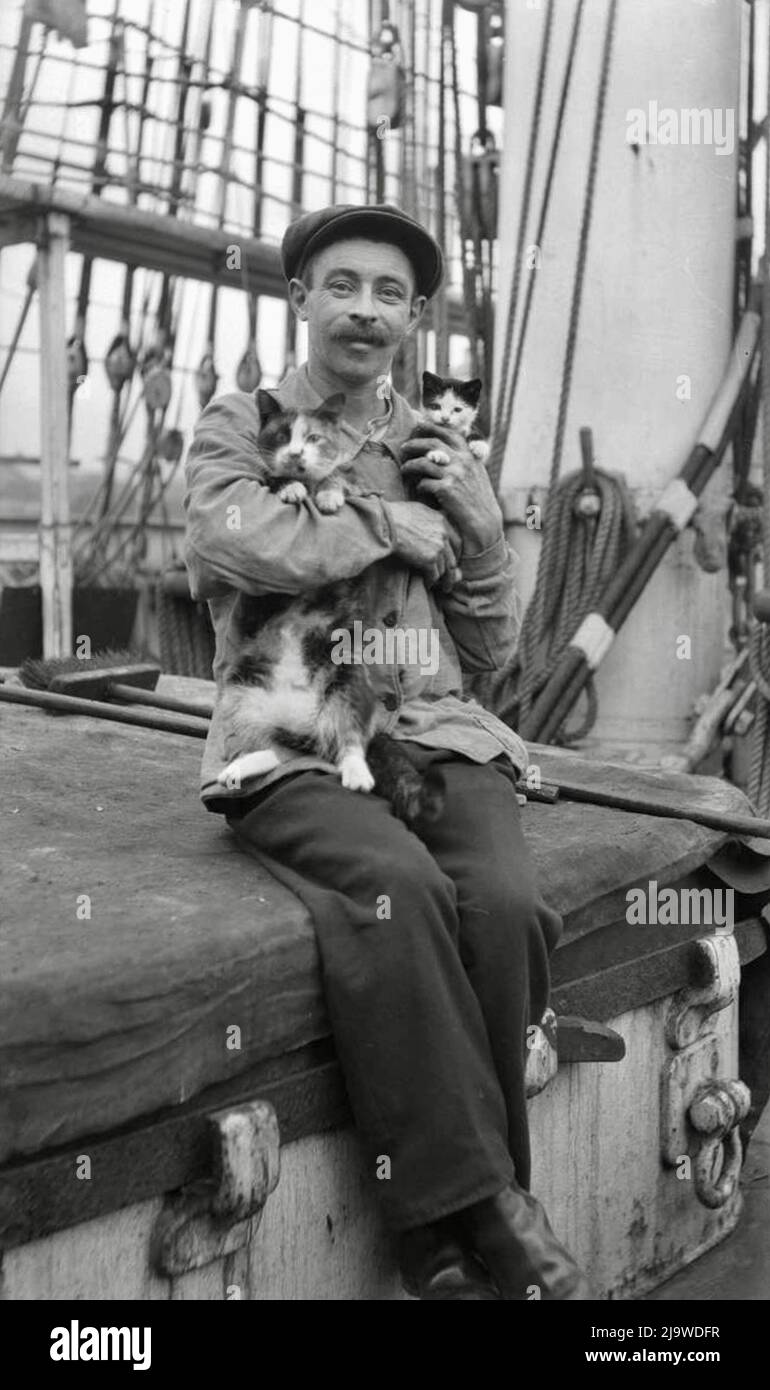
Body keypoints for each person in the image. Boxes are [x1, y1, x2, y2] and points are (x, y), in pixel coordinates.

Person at [183, 203, 590, 1301]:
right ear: (301, 298)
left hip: (436, 731)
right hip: (296, 737)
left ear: (413, 317)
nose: (364, 309)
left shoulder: (437, 446)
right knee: (395, 888)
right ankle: (489, 1215)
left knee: (503, 903)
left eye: (389, 295)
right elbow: (230, 538)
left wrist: (481, 531)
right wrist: (388, 525)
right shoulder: (244, 422)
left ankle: (444, 1234)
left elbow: (492, 648)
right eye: (342, 284)